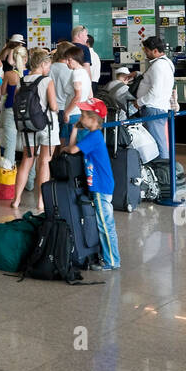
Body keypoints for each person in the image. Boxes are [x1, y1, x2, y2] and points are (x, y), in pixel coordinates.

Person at [64, 99, 119, 270]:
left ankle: (112, 261)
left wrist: (73, 130)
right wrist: (75, 130)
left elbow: (71, 149)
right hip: (99, 186)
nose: (81, 117)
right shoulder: (93, 135)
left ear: (94, 119)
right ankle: (107, 257)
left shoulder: (94, 137)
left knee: (105, 224)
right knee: (103, 223)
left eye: (83, 115)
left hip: (101, 187)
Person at [12, 48, 59, 211]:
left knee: (26, 160)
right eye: (49, 65)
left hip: (27, 126)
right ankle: (41, 201)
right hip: (46, 126)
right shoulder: (47, 81)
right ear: (44, 64)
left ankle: (16, 199)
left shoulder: (22, 80)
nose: (49, 68)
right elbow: (53, 106)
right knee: (44, 161)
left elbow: (16, 103)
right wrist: (58, 108)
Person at [135, 36, 175, 165]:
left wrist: (139, 102)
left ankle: (163, 173)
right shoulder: (164, 63)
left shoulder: (159, 66)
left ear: (156, 51)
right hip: (156, 108)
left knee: (157, 143)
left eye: (147, 50)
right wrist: (136, 75)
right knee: (156, 142)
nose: (145, 53)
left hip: (153, 108)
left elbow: (155, 91)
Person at [0, 44, 27, 175]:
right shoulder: (30, 74)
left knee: (10, 145)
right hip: (27, 112)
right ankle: (30, 180)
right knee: (28, 146)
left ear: (13, 58)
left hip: (10, 110)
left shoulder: (9, 74)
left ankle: (9, 175)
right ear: (25, 59)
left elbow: (3, 92)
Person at [59, 44, 92, 145]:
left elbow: (77, 96)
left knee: (69, 145)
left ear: (76, 59)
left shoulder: (76, 73)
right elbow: (88, 95)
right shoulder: (84, 72)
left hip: (73, 114)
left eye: (69, 60)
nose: (67, 63)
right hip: (81, 112)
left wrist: (67, 113)